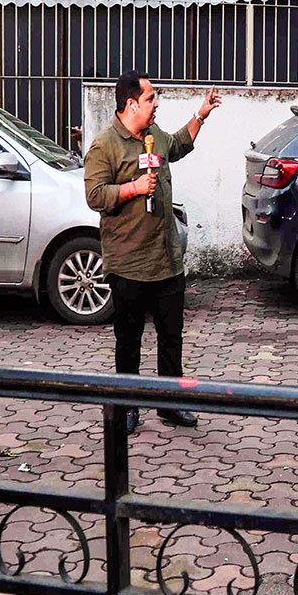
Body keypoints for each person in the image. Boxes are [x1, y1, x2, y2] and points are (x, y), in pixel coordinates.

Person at [84, 72, 221, 431]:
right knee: (128, 340)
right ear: (131, 104)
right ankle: (128, 407)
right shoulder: (105, 145)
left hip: (166, 259)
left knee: (171, 338)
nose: (156, 103)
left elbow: (177, 144)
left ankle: (170, 404)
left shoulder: (153, 135)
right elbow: (95, 195)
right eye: (150, 98)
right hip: (129, 261)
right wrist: (132, 188)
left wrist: (202, 114)